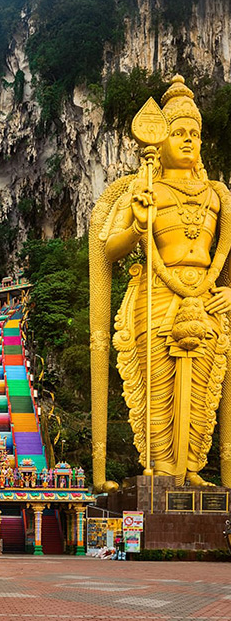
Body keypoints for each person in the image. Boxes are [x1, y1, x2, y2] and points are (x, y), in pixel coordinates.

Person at [95, 76, 231, 487]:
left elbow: (225, 253)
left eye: (195, 133)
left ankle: (191, 470)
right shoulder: (144, 186)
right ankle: (163, 474)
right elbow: (108, 248)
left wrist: (226, 291)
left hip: (205, 299)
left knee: (203, 391)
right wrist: (138, 225)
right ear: (161, 138)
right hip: (156, 296)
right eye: (178, 132)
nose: (189, 140)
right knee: (159, 392)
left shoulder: (218, 195)